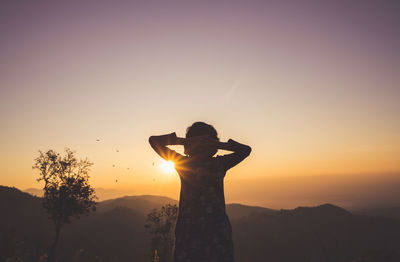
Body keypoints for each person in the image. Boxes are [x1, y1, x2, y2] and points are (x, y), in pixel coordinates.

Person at [149, 121, 251, 262]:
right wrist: (214, 144)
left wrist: (188, 141)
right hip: (211, 235)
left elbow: (154, 141)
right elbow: (245, 150)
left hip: (195, 235)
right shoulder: (217, 164)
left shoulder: (185, 163)